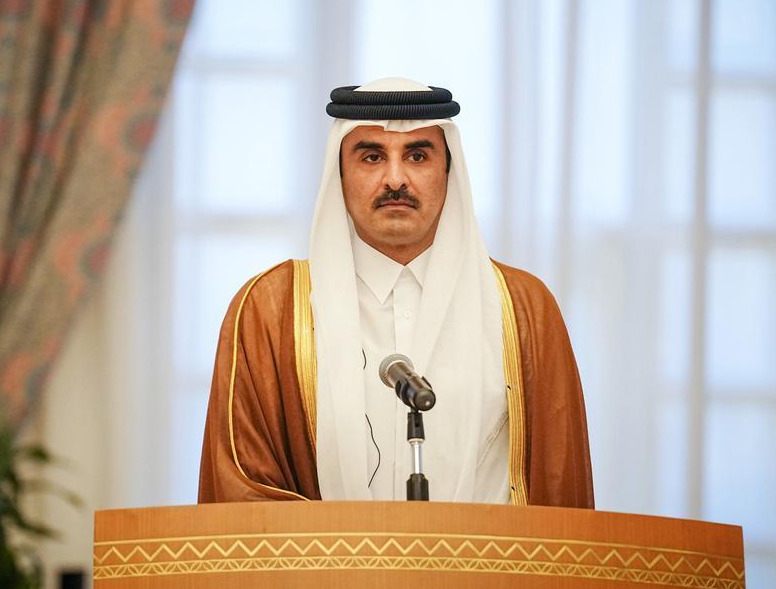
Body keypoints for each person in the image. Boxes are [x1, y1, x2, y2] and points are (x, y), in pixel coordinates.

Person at [197, 78, 593, 507]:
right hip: (327, 575)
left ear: (448, 171)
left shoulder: (523, 308)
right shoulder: (269, 310)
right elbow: (242, 497)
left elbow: (560, 494)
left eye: (418, 155)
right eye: (371, 156)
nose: (396, 179)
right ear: (340, 173)